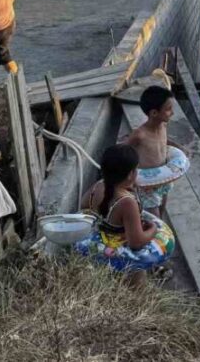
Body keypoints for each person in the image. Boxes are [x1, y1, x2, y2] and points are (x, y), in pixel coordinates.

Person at [77, 144, 176, 275]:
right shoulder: (127, 202)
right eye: (136, 170)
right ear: (130, 174)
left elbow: (84, 206)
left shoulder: (99, 185)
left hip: (102, 238)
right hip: (123, 255)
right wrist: (153, 229)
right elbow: (136, 243)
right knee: (138, 275)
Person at [123, 85, 181, 219]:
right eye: (168, 109)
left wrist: (179, 147)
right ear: (154, 113)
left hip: (163, 179)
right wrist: (128, 178)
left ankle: (159, 226)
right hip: (147, 185)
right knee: (153, 218)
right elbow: (123, 153)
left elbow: (163, 142)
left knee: (162, 209)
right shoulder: (139, 135)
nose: (172, 112)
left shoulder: (163, 126)